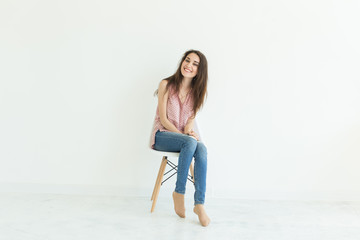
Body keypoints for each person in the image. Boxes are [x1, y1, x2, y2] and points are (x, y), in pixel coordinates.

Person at [149, 49, 210, 227]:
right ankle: (179, 192)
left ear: (200, 71)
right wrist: (184, 135)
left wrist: (189, 132)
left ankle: (199, 204)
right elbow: (164, 119)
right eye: (187, 60)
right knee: (191, 142)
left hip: (184, 140)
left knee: (202, 148)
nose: (189, 65)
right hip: (162, 135)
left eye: (195, 64)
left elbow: (190, 122)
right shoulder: (166, 84)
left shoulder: (198, 92)